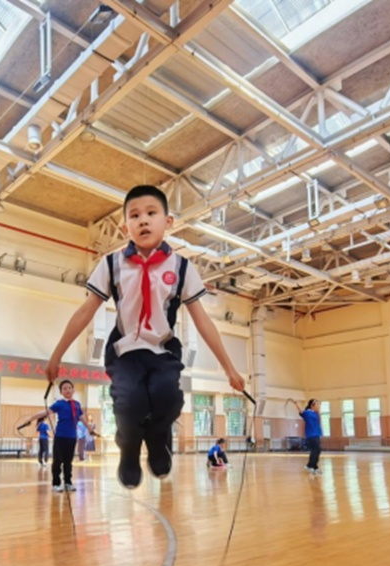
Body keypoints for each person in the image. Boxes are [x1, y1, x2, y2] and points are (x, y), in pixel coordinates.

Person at [45, 185, 245, 488]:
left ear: (169, 221)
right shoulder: (112, 264)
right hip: (125, 351)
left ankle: (158, 438)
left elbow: (203, 320)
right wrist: (56, 355)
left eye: (152, 213)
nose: (143, 221)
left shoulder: (182, 267)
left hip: (163, 351)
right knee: (130, 402)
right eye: (134, 216)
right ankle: (128, 449)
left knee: (168, 396)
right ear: (125, 226)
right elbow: (86, 311)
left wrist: (229, 368)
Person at [24, 380, 86, 492]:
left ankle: (68, 482)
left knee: (68, 461)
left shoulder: (77, 404)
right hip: (60, 436)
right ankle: (56, 484)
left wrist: (90, 429)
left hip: (72, 437)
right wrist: (31, 418)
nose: (67, 390)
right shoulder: (59, 403)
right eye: (64, 389)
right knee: (58, 461)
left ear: (73, 390)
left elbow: (82, 418)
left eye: (69, 388)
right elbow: (45, 412)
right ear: (61, 392)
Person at [298, 399, 323, 475]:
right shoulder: (307, 413)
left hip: (316, 434)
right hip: (311, 434)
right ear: (312, 405)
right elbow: (301, 412)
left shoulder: (315, 413)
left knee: (317, 450)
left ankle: (314, 466)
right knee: (316, 450)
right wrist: (297, 404)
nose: (318, 406)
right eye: (317, 405)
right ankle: (310, 466)